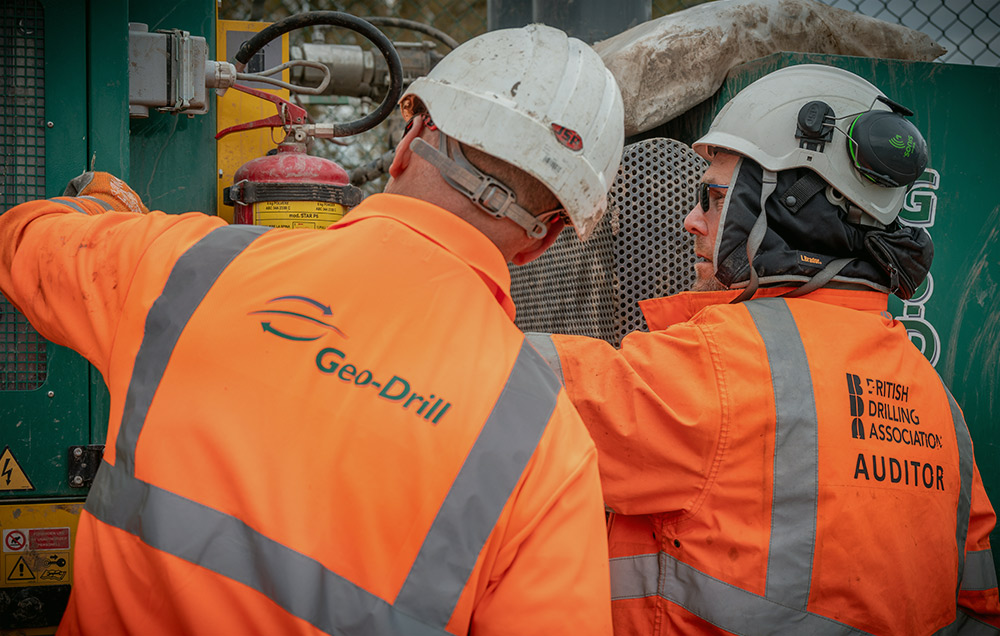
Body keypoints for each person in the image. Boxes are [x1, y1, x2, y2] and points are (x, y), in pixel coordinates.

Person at [0, 25, 624, 635]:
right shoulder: (548, 447)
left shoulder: (187, 269)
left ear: (410, 142)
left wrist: (109, 212)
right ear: (542, 241)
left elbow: (22, 237)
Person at [528, 63, 1000, 634]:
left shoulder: (720, 364)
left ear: (790, 204)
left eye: (713, 196)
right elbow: (976, 609)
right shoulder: (939, 405)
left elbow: (499, 382)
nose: (691, 220)